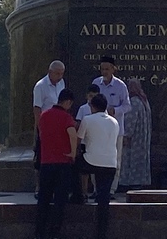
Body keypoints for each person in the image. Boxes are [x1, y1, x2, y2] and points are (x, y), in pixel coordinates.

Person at [35, 88, 78, 239]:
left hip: (46, 162)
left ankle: (39, 232)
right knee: (60, 200)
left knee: (44, 198)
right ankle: (54, 232)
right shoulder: (66, 117)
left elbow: (40, 134)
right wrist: (73, 153)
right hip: (62, 163)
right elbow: (72, 134)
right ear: (68, 102)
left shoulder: (44, 115)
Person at [76, 93, 119, 239]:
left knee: (73, 167)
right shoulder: (114, 122)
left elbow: (78, 140)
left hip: (90, 161)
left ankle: (78, 195)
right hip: (110, 163)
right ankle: (102, 232)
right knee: (103, 197)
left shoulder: (87, 119)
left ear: (92, 106)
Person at [92, 55, 130, 192]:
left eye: (107, 69)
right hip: (97, 128)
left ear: (114, 69)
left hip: (116, 129)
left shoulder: (121, 86)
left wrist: (115, 110)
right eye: (102, 69)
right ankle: (97, 189)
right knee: (96, 157)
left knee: (115, 159)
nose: (104, 72)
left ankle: (112, 189)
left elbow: (127, 106)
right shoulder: (96, 83)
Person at [32, 60, 66, 181]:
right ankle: (38, 186)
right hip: (46, 126)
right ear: (50, 72)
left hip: (59, 126)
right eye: (57, 73)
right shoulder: (41, 86)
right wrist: (40, 128)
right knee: (41, 157)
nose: (59, 76)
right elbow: (37, 109)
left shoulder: (61, 83)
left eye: (62, 73)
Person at [119, 78, 152, 190]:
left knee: (129, 159)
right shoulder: (144, 100)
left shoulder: (133, 102)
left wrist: (126, 135)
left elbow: (130, 120)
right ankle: (140, 180)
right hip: (143, 137)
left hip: (134, 139)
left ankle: (128, 182)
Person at [73, 83, 101, 202]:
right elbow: (78, 123)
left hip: (96, 142)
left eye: (95, 96)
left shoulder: (101, 108)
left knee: (97, 169)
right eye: (90, 96)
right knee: (84, 171)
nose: (92, 99)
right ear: (86, 96)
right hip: (85, 141)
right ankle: (84, 192)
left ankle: (96, 191)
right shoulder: (83, 109)